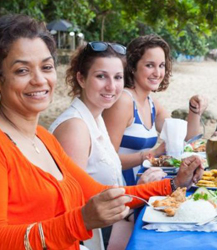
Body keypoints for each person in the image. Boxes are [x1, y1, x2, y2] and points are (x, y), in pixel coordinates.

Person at [0, 14, 203, 249]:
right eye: (22, 70)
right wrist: (80, 221)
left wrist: (173, 183)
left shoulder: (43, 137)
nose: (40, 80)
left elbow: (99, 193)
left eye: (47, 67)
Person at [48, 41, 166, 248]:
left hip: (104, 230)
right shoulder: (75, 128)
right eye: (101, 76)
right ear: (81, 79)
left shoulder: (96, 118)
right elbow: (72, 208)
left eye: (118, 77)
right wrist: (139, 191)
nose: (111, 86)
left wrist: (138, 190)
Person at [102, 35, 208, 186]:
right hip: (121, 189)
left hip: (142, 185)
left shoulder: (152, 104)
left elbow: (186, 138)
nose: (157, 73)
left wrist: (194, 110)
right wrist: (152, 154)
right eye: (150, 65)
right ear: (132, 67)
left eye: (162, 65)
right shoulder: (123, 101)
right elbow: (106, 160)